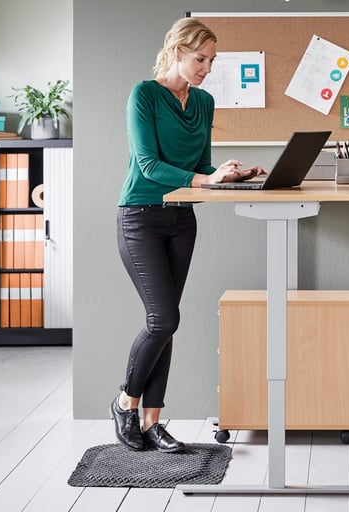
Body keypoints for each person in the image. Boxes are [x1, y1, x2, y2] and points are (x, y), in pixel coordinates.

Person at [112, 17, 263, 453]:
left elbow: (203, 166)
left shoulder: (204, 102)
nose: (207, 68)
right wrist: (209, 180)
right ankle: (125, 403)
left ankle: (153, 423)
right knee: (164, 319)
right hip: (140, 215)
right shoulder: (144, 95)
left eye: (212, 60)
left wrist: (231, 176)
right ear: (177, 51)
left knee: (165, 324)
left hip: (181, 219)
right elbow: (148, 166)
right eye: (201, 58)